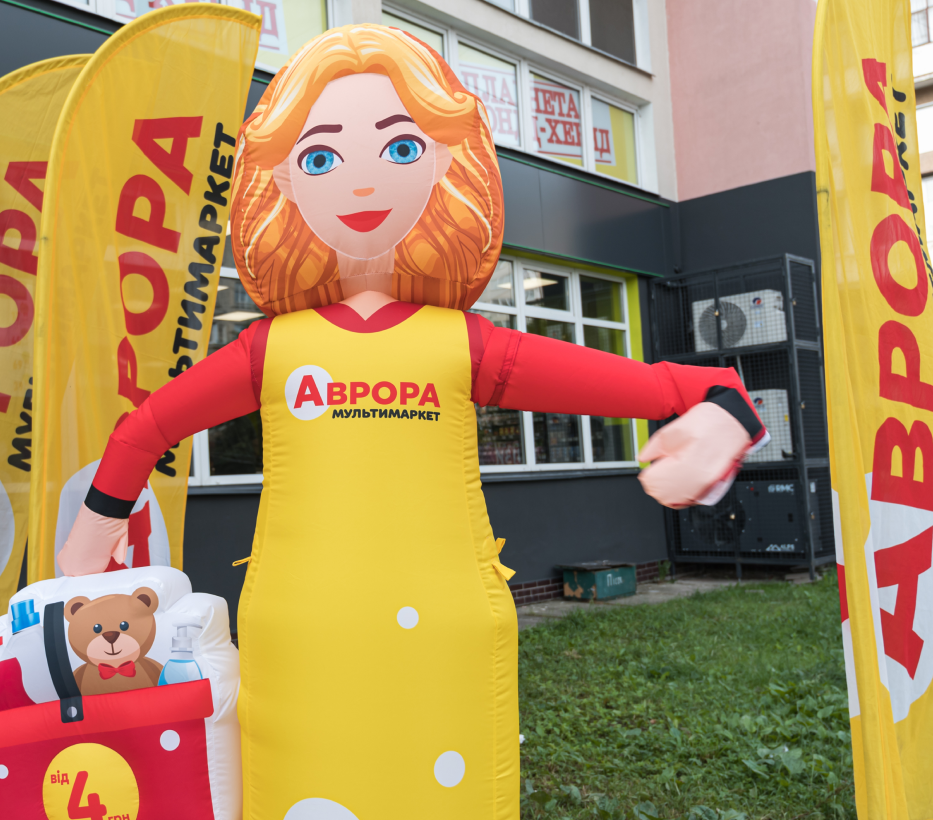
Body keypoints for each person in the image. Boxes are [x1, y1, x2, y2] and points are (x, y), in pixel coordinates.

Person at [59, 24, 766, 820]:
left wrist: (724, 417)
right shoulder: (275, 350)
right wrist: (86, 560)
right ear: (280, 181)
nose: (362, 184)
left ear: (447, 165)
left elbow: (672, 387)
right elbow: (146, 431)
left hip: (441, 638)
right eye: (321, 159)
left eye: (400, 150)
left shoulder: (460, 344)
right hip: (305, 639)